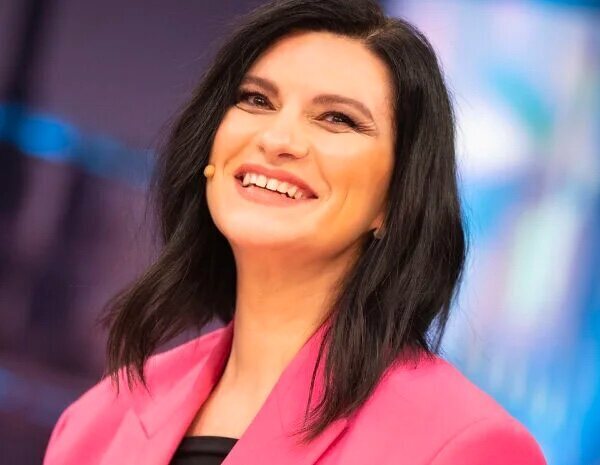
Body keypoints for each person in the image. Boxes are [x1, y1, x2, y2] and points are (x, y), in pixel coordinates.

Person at [43, 0, 547, 464]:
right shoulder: (98, 420)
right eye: (256, 100)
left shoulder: (465, 445)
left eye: (337, 119)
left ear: (395, 200)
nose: (278, 138)